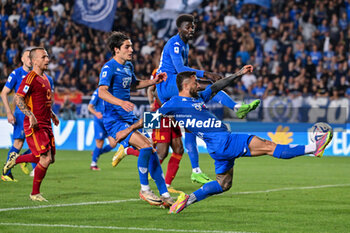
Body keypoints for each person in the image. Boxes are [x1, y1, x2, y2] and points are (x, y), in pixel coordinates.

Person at [115, 66, 333, 214]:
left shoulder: (198, 97)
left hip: (217, 148)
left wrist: (238, 73)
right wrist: (128, 131)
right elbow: (150, 119)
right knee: (268, 146)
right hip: (225, 141)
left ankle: (187, 200)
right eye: (194, 81)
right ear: (185, 84)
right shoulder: (174, 103)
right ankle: (314, 146)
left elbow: (218, 86)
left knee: (224, 184)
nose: (198, 83)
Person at [155, 14, 260, 184]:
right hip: (168, 85)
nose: (191, 29)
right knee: (207, 86)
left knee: (190, 126)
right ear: (179, 28)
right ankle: (236, 107)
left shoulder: (185, 45)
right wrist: (206, 73)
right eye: (188, 27)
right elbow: (181, 69)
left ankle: (195, 170)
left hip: (174, 87)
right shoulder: (175, 43)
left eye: (193, 27)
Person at [98, 31, 173, 207]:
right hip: (114, 119)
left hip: (127, 117)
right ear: (117, 50)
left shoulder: (128, 67)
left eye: (131, 46)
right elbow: (102, 91)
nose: (131, 49)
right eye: (127, 47)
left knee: (152, 151)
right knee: (147, 146)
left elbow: (135, 84)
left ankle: (165, 195)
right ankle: (145, 190)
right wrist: (121, 102)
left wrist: (154, 81)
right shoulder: (109, 67)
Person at [2, 47, 59, 202]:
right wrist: (30, 115)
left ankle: (16, 160)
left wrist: (52, 114)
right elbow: (18, 98)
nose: (47, 59)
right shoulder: (30, 78)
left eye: (47, 56)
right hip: (34, 125)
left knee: (50, 158)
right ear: (34, 61)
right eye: (44, 57)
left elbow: (45, 102)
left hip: (46, 123)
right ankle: (35, 193)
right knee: (45, 159)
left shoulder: (47, 78)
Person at [1, 49, 34, 181]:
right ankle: (6, 173)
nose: (30, 59)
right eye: (27, 57)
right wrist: (9, 112)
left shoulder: (35, 75)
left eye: (32, 57)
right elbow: (4, 93)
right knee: (19, 143)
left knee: (38, 144)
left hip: (33, 114)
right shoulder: (16, 73)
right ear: (22, 59)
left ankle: (24, 161)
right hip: (21, 114)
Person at [88, 88, 139, 170]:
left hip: (110, 121)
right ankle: (93, 164)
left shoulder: (114, 91)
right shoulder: (98, 91)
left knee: (113, 144)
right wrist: (96, 113)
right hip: (100, 122)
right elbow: (90, 107)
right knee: (99, 143)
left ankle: (97, 153)